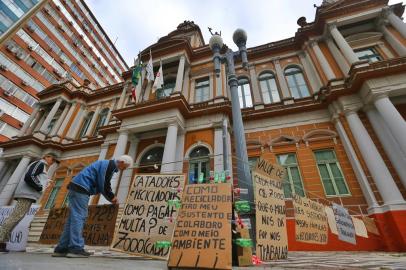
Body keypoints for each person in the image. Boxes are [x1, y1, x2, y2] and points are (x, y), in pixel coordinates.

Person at [53, 155, 133, 258]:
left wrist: (109, 196)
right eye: (125, 167)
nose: (123, 169)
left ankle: (61, 249)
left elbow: (100, 184)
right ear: (121, 162)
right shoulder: (109, 165)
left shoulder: (107, 165)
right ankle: (76, 248)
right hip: (80, 188)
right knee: (79, 217)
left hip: (76, 187)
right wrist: (112, 197)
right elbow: (103, 184)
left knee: (73, 219)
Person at [0, 153, 59, 253]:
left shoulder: (41, 166)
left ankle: (2, 241)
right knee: (15, 216)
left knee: (17, 217)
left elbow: (34, 176)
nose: (52, 162)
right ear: (46, 157)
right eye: (52, 160)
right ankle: (1, 238)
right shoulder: (39, 163)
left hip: (28, 195)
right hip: (26, 194)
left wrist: (45, 182)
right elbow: (30, 176)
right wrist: (39, 187)